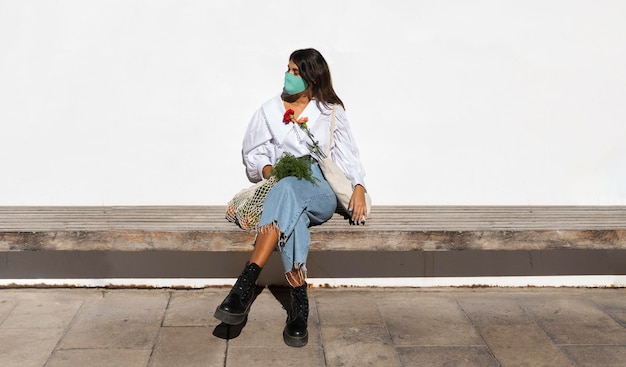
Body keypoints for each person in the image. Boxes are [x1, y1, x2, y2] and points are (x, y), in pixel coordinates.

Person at [214, 48, 368, 347]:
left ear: (312, 77)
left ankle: (245, 284)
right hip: (282, 186)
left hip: (318, 190)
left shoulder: (330, 111)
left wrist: (359, 187)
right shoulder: (269, 111)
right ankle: (299, 306)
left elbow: (348, 156)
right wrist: (273, 169)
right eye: (288, 69)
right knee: (290, 208)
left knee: (289, 191)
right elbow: (253, 156)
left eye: (296, 72)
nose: (288, 76)